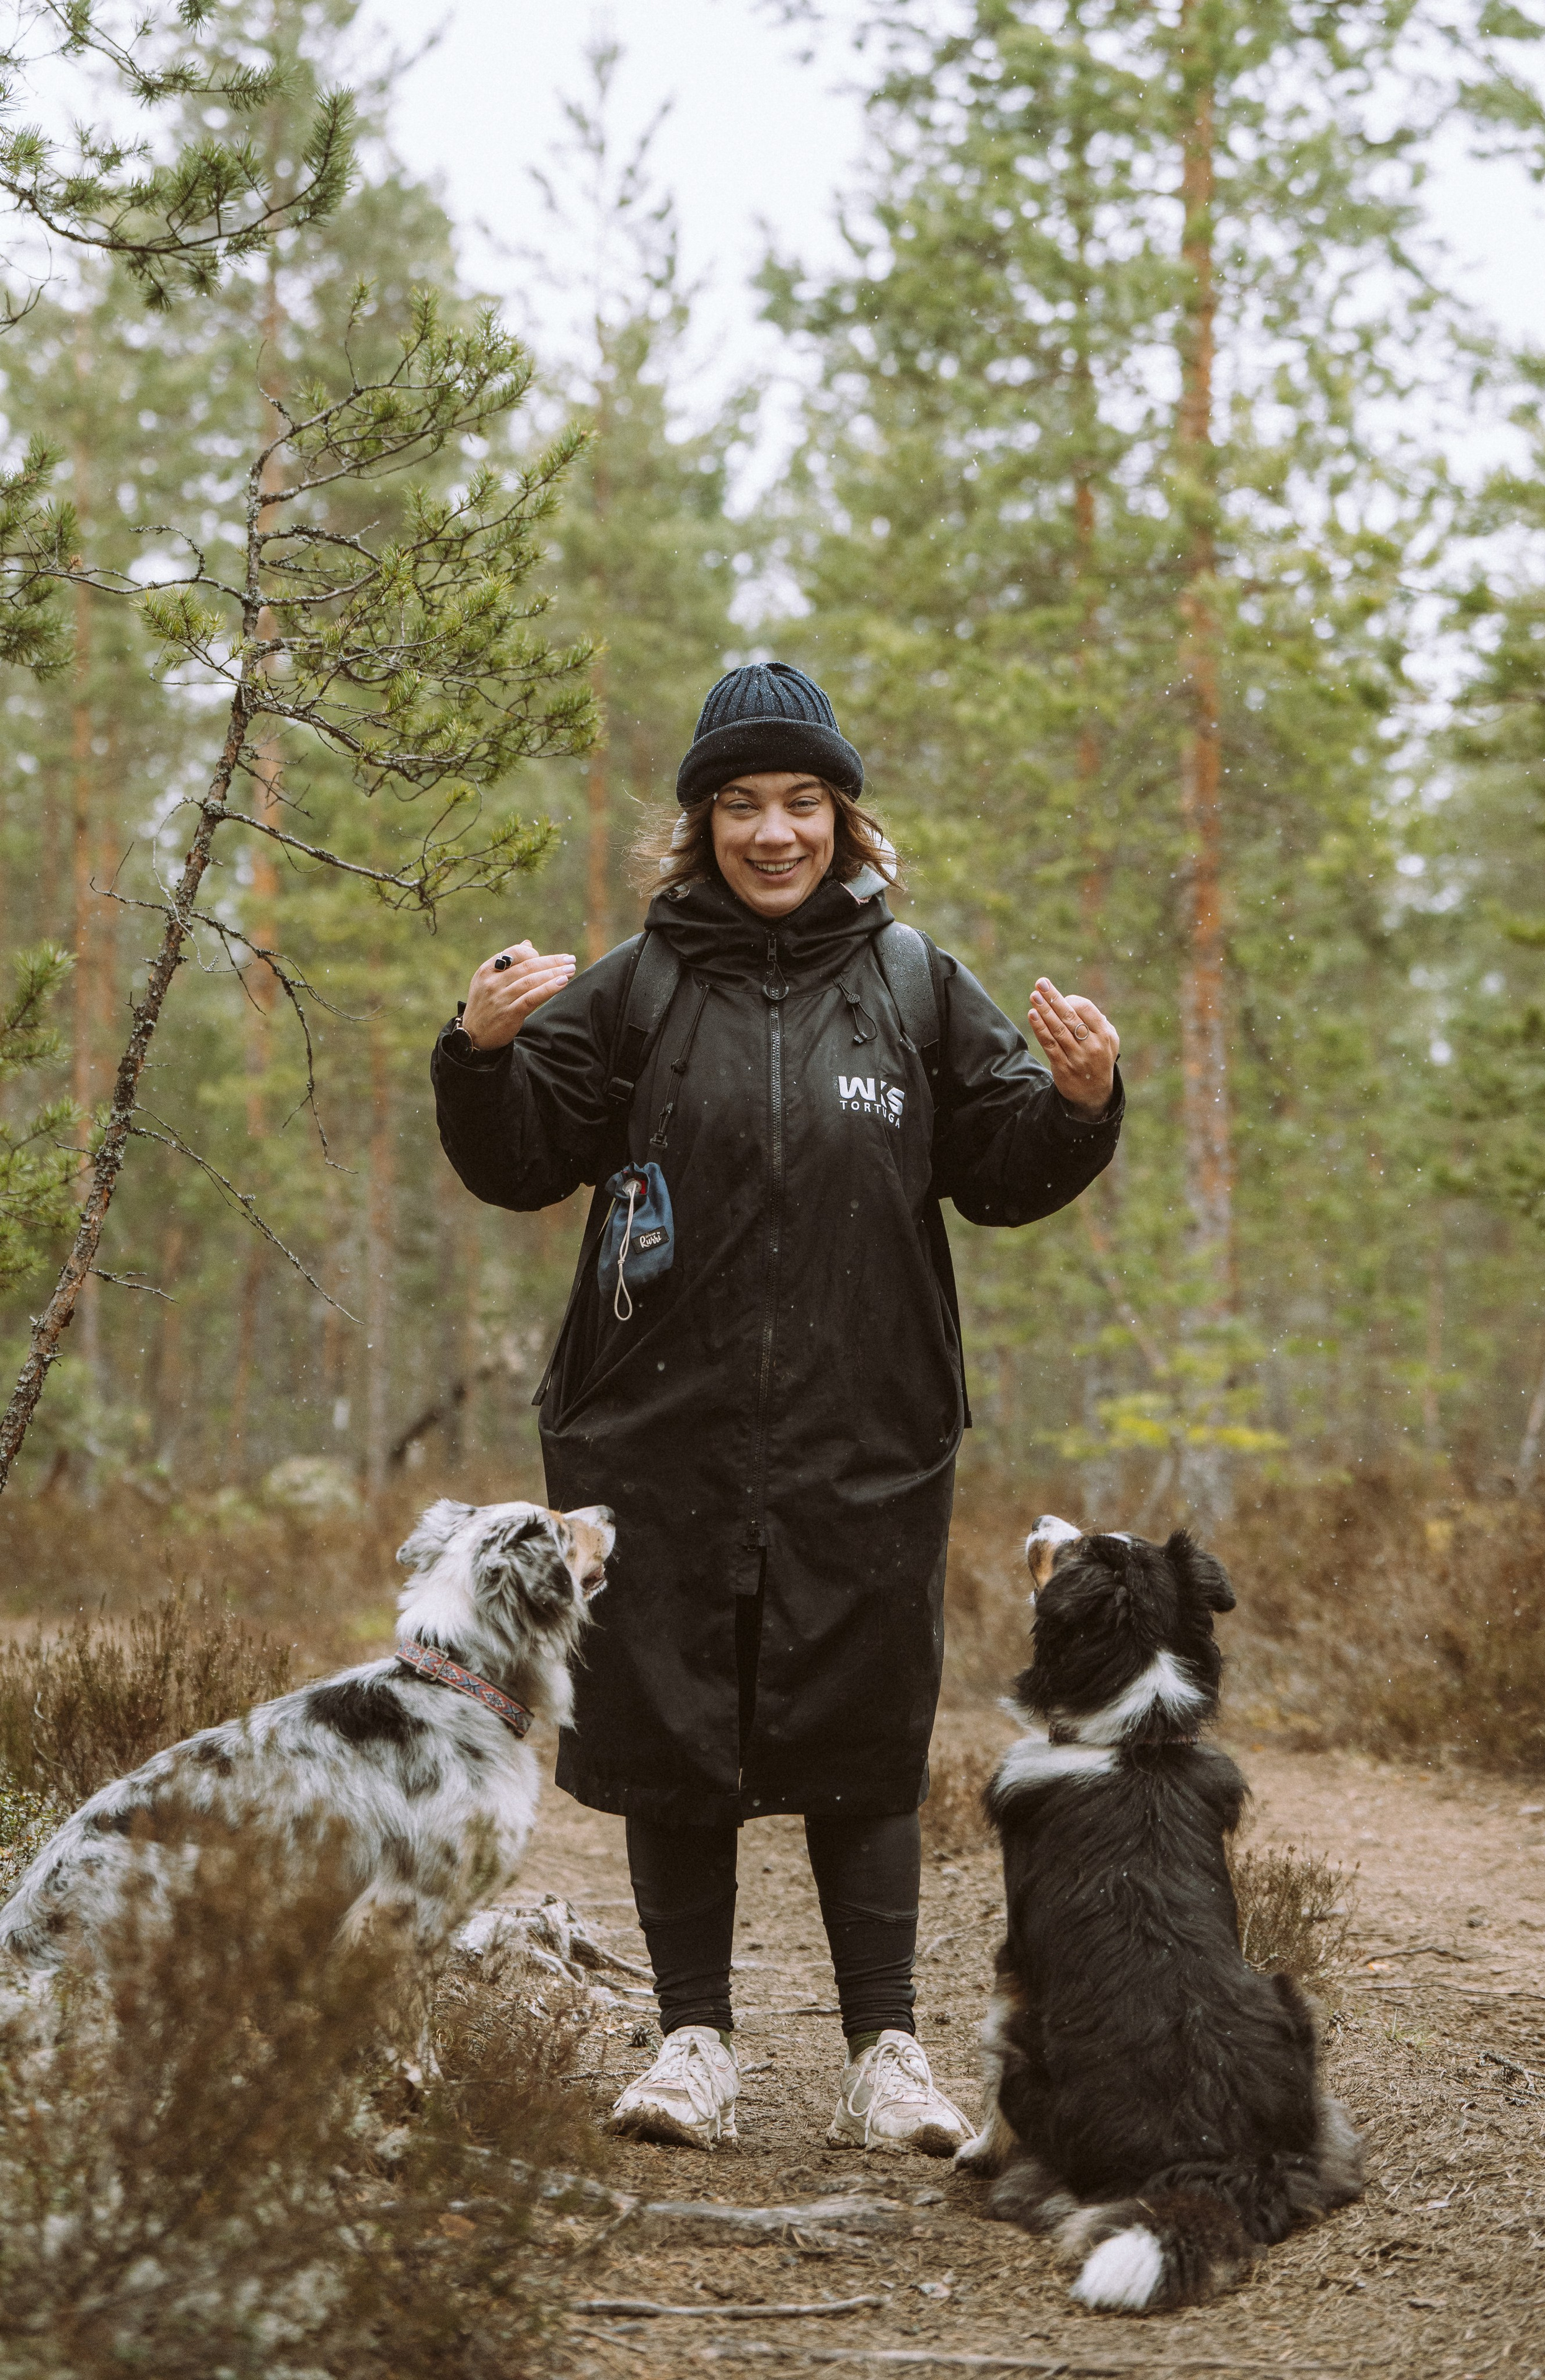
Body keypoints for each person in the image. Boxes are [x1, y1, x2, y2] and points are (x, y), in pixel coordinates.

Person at [431, 662, 1123, 2155]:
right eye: (738, 804)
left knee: (859, 1719)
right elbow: (518, 1156)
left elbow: (1002, 1167)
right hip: (650, 1430)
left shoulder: (914, 980)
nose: (770, 831)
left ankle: (887, 2051)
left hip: (863, 1428)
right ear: (697, 825)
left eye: (800, 801)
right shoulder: (632, 985)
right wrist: (479, 1055)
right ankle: (693, 2041)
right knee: (673, 1715)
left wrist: (1075, 1102)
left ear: (843, 819)